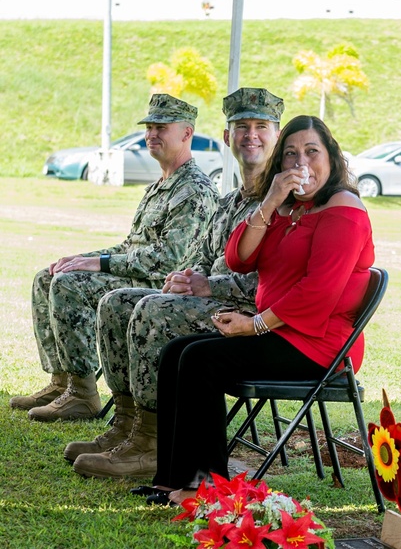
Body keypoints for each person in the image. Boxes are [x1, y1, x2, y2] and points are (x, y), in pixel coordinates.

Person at [149, 115, 375, 506]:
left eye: (311, 152)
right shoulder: (286, 209)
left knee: (202, 360)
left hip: (320, 345)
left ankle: (208, 488)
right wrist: (270, 201)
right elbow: (238, 257)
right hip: (282, 332)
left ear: (332, 158)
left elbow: (317, 293)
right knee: (175, 353)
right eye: (290, 154)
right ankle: (174, 480)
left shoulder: (344, 209)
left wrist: (252, 325)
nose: (300, 163)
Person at [69, 88, 285, 479]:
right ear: (227, 137)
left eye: (261, 127)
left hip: (252, 316)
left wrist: (208, 285)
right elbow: (201, 256)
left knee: (153, 310)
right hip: (211, 301)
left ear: (276, 134)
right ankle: (128, 428)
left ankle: (154, 446)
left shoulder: (280, 201)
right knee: (117, 302)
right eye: (241, 127)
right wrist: (186, 278)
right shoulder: (232, 198)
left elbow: (268, 281)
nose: (250, 135)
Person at [12, 94, 219, 422]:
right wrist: (80, 257)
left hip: (163, 285)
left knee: (70, 285)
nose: (152, 134)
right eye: (149, 127)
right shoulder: (160, 185)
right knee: (48, 276)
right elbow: (131, 245)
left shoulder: (194, 190)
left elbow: (167, 261)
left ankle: (83, 395)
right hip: (140, 274)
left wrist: (98, 264)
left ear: (186, 133)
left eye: (162, 127)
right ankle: (62, 381)